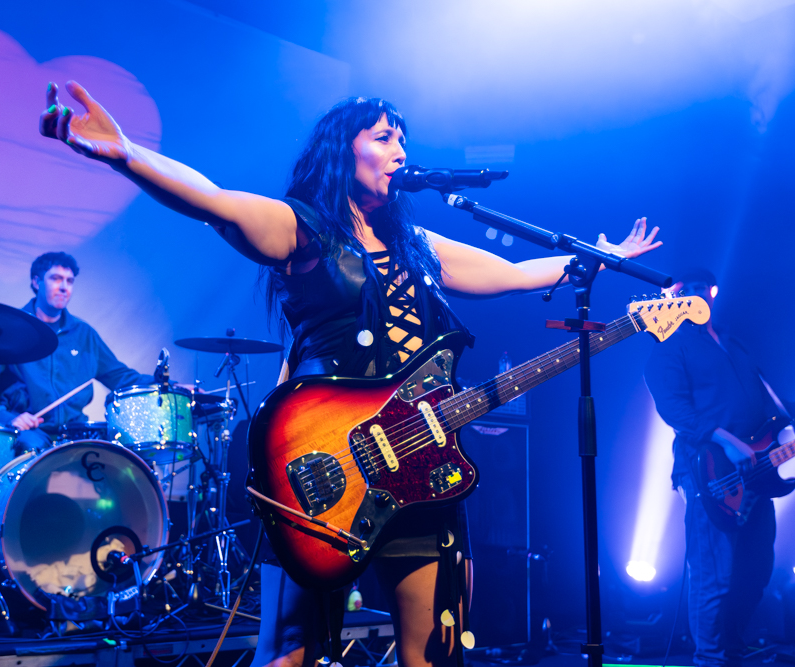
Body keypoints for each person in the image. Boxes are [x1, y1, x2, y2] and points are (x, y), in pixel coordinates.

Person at [39, 81, 662, 667]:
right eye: (384, 136)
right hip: (320, 459)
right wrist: (126, 155)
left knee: (435, 649)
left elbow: (514, 274)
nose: (401, 151)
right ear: (344, 149)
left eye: (403, 140)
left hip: (418, 469)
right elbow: (213, 201)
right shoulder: (302, 227)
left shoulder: (417, 245)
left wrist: (600, 257)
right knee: (290, 650)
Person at [644, 269, 795, 667]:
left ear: (712, 293)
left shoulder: (733, 344)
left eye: (701, 288)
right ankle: (709, 658)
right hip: (708, 471)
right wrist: (726, 440)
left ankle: (731, 650)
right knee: (713, 575)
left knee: (755, 573)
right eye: (686, 290)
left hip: (756, 472)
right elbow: (674, 409)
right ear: (672, 298)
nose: (695, 295)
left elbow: (775, 406)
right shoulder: (669, 348)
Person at [0, 251, 147, 455]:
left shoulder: (83, 334)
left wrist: (165, 383)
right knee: (31, 446)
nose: (64, 287)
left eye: (69, 281)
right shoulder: (10, 330)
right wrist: (7, 418)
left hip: (74, 431)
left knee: (122, 452)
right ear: (36, 282)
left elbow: (121, 377)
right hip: (28, 432)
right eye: (56, 278)